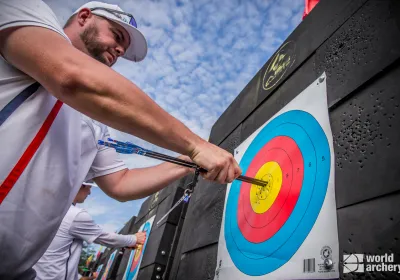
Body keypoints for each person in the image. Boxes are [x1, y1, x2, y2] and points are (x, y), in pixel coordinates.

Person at [0, 1, 242, 279]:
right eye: (117, 35)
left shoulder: (94, 124)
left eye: (124, 49)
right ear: (84, 17)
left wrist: (189, 162)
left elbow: (120, 183)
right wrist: (196, 145)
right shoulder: (20, 10)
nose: (120, 50)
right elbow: (71, 76)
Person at [33, 183, 146, 280]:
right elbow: (104, 238)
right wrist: (134, 239)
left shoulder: (51, 212)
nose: (90, 192)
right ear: (79, 186)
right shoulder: (75, 215)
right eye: (89, 187)